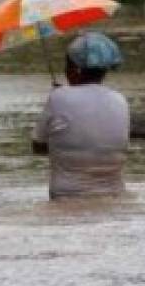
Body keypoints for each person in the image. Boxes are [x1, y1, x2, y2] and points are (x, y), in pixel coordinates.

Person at [32, 32, 130, 199]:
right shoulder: (120, 99)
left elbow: (38, 146)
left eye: (67, 65)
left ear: (75, 69)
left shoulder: (58, 98)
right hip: (115, 196)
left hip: (67, 196)